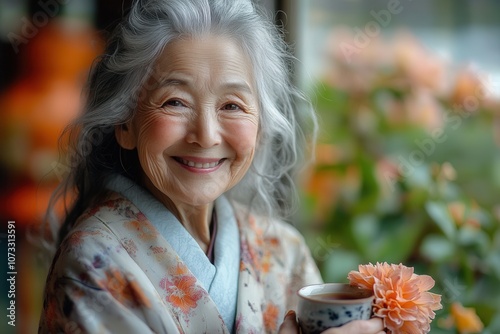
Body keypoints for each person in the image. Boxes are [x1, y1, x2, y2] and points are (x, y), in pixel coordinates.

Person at [39, 0, 385, 333]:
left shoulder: (282, 250)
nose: (205, 135)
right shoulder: (93, 266)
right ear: (126, 123)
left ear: (261, 126)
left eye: (232, 106)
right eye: (175, 102)